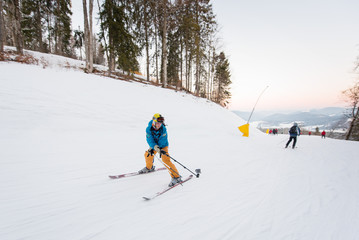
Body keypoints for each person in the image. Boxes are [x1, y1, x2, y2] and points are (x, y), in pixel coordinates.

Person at [138, 113, 182, 187]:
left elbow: (163, 141)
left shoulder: (163, 130)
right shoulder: (148, 129)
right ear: (153, 122)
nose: (159, 125)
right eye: (157, 123)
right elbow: (150, 140)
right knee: (148, 154)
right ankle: (149, 168)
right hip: (155, 145)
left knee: (166, 160)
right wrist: (154, 147)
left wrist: (160, 150)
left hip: (163, 146)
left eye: (160, 123)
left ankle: (176, 177)